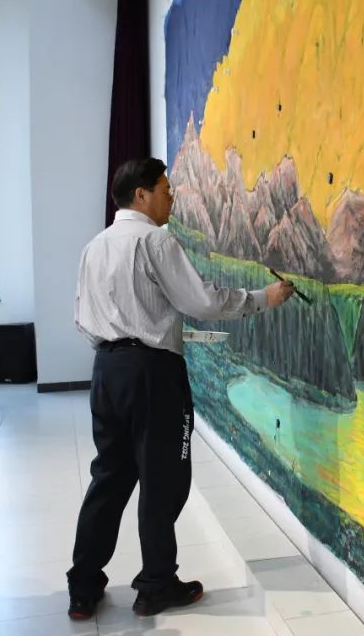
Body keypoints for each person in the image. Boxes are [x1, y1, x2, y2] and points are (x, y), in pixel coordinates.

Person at [67, 157, 294, 619]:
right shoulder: (156, 240)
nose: (172, 198)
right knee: (162, 478)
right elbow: (202, 301)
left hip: (106, 372)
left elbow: (81, 316)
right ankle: (156, 585)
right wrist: (263, 299)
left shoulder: (94, 246)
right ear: (141, 195)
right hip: (152, 375)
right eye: (165, 190)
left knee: (109, 476)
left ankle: (83, 587)